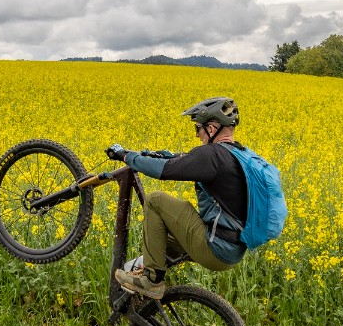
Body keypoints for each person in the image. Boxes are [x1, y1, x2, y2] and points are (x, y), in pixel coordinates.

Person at [105, 96, 252, 300]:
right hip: (233, 250)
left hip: (215, 248)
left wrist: (126, 156)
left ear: (211, 128)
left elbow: (164, 171)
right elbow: (187, 160)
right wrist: (159, 155)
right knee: (157, 238)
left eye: (198, 128)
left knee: (155, 200)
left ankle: (152, 280)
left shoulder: (212, 155)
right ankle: (142, 290)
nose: (197, 135)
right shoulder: (238, 154)